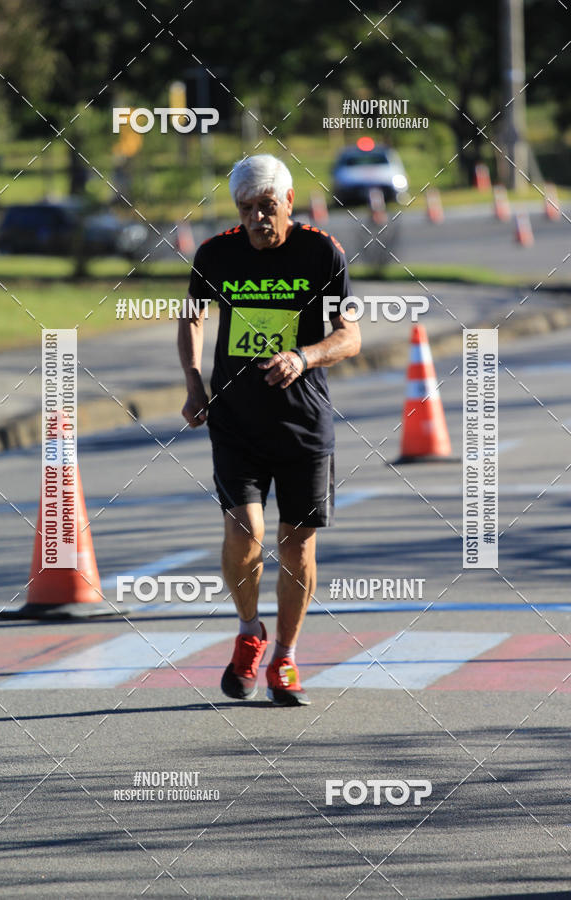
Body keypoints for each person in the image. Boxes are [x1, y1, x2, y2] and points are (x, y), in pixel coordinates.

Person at [178, 154, 360, 706]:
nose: (257, 219)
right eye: (246, 209)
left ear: (288, 201)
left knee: (296, 542)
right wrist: (192, 382)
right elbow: (191, 315)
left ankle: (285, 655)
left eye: (266, 207)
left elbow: (349, 336)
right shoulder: (216, 252)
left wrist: (304, 357)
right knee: (245, 533)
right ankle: (249, 630)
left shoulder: (320, 251)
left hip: (303, 425)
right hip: (236, 424)